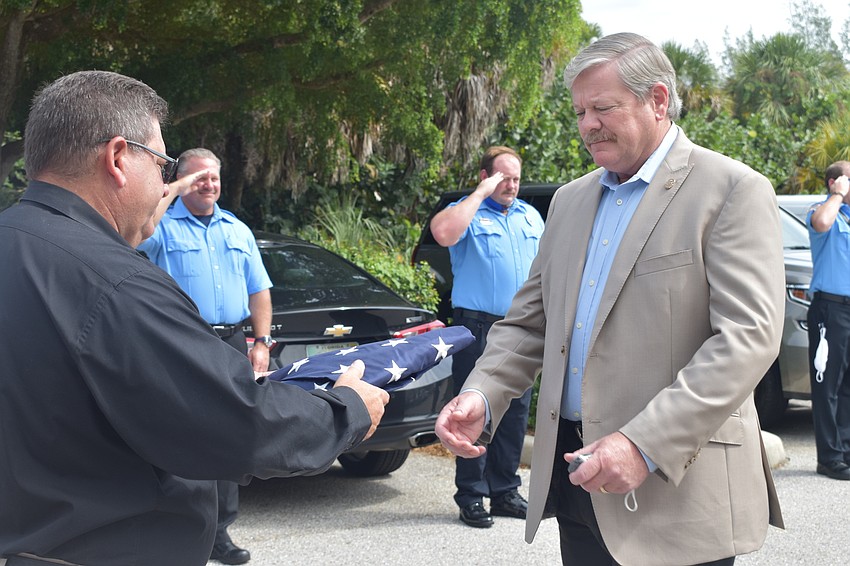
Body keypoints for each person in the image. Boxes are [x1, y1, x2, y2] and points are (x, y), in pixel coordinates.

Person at [0, 70, 388, 566]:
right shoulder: (114, 281)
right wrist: (346, 410)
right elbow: (238, 423)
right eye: (162, 165)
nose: (165, 184)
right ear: (118, 159)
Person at [436, 32, 785, 565]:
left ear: (658, 100)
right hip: (578, 477)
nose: (587, 124)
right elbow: (530, 323)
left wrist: (643, 443)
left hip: (678, 489)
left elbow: (747, 339)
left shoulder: (732, 189)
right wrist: (482, 395)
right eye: (580, 111)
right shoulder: (569, 201)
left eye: (602, 108)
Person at [138, 149, 271, 564]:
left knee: (229, 432)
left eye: (214, 178)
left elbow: (259, 290)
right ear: (180, 181)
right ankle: (177, 525)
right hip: (181, 339)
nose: (208, 185)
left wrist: (261, 341)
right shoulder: (162, 225)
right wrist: (176, 188)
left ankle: (219, 532)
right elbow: (136, 234)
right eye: (199, 178)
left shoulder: (237, 229)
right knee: (178, 430)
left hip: (230, 340)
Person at [429, 146, 544, 528]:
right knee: (472, 409)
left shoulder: (529, 216)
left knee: (514, 412)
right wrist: (480, 194)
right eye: (503, 178)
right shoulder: (467, 211)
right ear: (485, 177)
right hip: (478, 327)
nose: (511, 185)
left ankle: (505, 490)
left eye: (516, 179)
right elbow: (443, 234)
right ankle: (472, 494)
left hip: (522, 328)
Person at [805, 161, 850, 481]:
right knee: (828, 385)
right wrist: (837, 195)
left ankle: (845, 452)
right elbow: (822, 223)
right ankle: (829, 458)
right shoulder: (821, 211)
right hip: (830, 309)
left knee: (847, 387)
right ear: (835, 182)